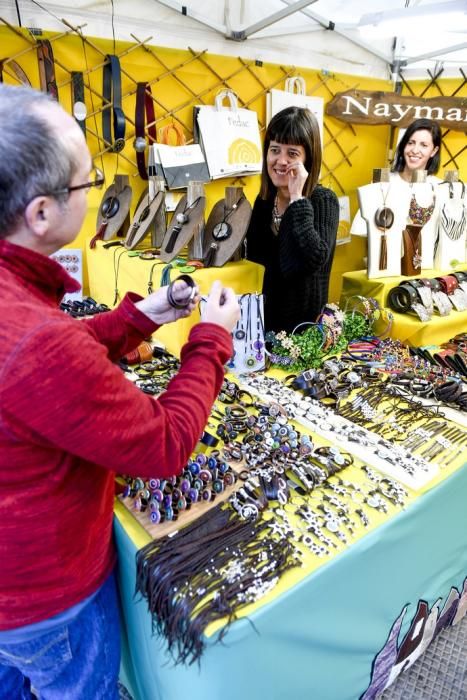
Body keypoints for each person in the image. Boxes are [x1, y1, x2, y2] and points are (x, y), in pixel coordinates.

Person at [0, 83, 239, 699]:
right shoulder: (36, 341)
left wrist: (142, 316)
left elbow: (51, 353)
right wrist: (210, 338)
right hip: (47, 595)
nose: (99, 196)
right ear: (42, 212)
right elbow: (164, 445)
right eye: (87, 185)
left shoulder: (18, 304)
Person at [245, 106, 339, 333]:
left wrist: (297, 199)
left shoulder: (323, 201)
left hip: (303, 331)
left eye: (292, 154)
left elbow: (313, 259)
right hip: (261, 324)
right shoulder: (264, 201)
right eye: (274, 150)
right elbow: (256, 260)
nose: (281, 160)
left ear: (308, 158)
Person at [391, 117, 441, 182]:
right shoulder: (381, 182)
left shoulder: (441, 188)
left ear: (434, 151)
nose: (415, 151)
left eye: (424, 145)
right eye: (410, 143)